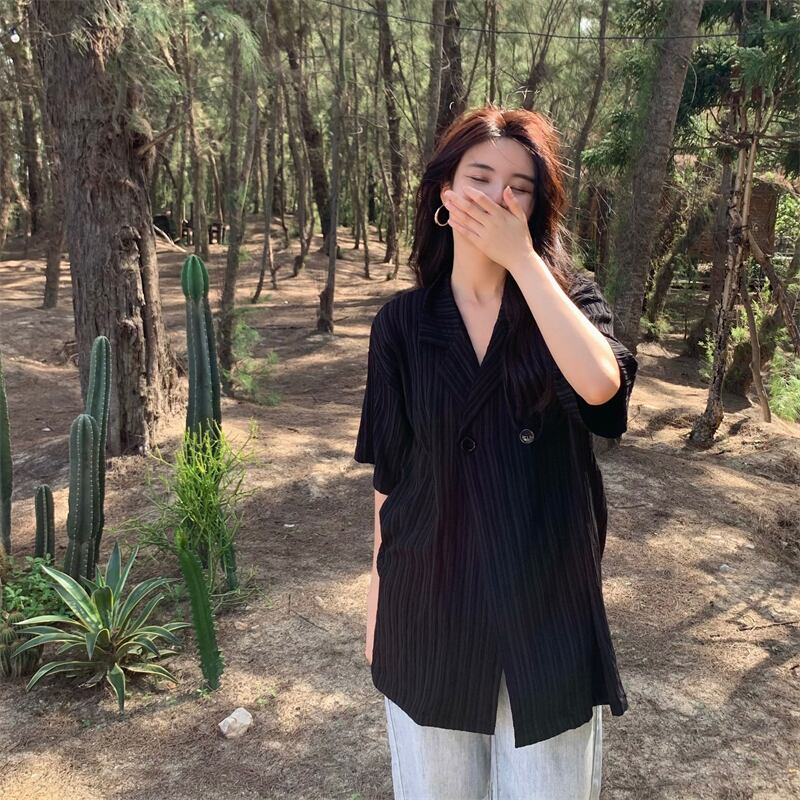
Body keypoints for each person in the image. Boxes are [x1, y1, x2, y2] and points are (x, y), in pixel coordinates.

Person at [353, 105, 639, 800]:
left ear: (538, 207)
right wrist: (378, 600)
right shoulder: (402, 324)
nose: (498, 197)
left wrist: (523, 262)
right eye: (480, 177)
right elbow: (391, 476)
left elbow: (603, 392)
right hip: (429, 602)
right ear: (445, 192)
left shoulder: (569, 304)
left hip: (548, 607)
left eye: (521, 187)